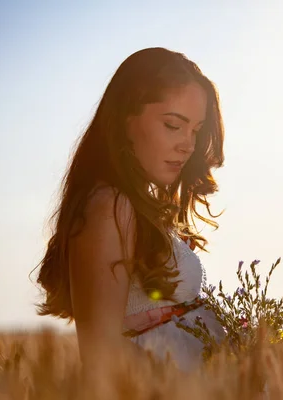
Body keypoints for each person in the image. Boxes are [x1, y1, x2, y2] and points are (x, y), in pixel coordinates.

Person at [33, 47, 226, 374]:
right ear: (125, 119)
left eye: (195, 130)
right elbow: (101, 360)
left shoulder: (134, 207)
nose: (188, 145)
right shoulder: (109, 205)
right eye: (172, 125)